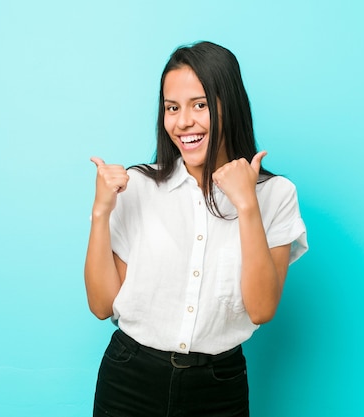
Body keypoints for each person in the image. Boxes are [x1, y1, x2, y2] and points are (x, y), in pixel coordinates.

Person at [85, 41, 308, 417]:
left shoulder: (275, 195)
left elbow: (261, 308)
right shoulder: (138, 187)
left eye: (199, 105)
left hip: (218, 388)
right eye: (172, 108)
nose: (183, 121)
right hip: (129, 379)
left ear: (229, 105)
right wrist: (100, 213)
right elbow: (102, 304)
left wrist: (246, 204)